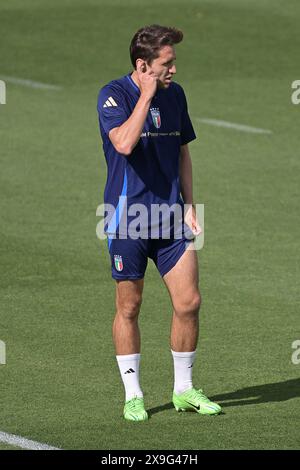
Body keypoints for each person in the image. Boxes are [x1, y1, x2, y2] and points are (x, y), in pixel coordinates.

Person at [97, 25, 221, 421]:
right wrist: (146, 97)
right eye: (166, 63)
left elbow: (183, 151)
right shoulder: (113, 95)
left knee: (189, 302)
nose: (173, 69)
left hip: (170, 217)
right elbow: (124, 143)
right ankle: (133, 394)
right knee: (129, 307)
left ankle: (184, 389)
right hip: (128, 218)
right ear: (143, 65)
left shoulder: (177, 95)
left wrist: (188, 203)